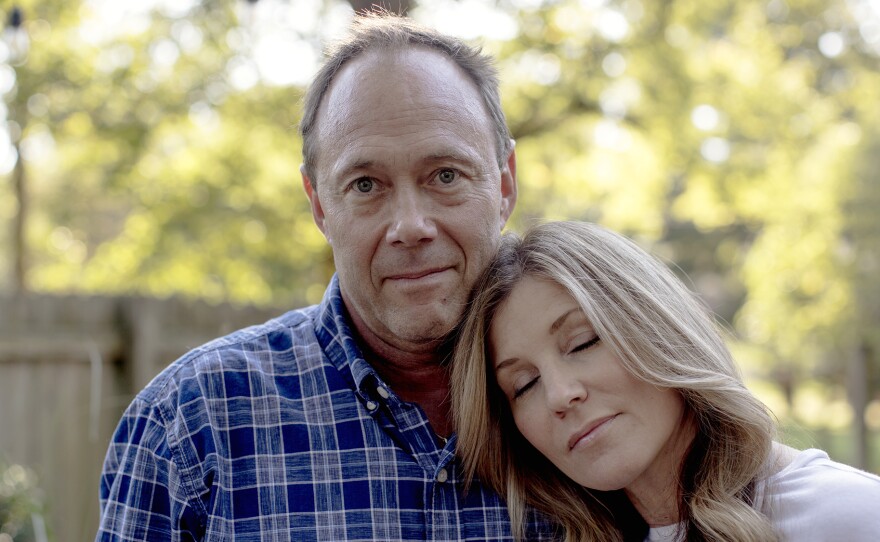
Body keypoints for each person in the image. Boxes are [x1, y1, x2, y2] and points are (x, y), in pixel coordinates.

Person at [97, 13, 554, 541]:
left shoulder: (596, 401)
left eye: (445, 175)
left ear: (504, 184)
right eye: (365, 185)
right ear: (318, 206)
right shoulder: (190, 427)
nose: (410, 226)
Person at [450, 220, 880, 542]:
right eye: (524, 385)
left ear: (654, 326)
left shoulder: (850, 516)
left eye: (583, 342)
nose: (560, 395)